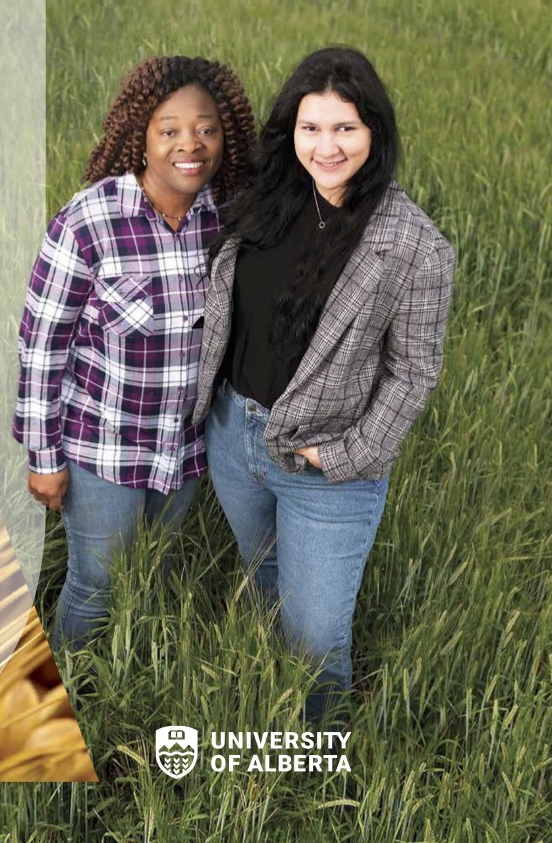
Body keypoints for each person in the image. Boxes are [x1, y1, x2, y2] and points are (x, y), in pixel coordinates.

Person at [193, 46, 455, 721]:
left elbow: (415, 370)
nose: (327, 146)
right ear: (292, 131)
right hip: (234, 437)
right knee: (264, 585)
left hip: (324, 469)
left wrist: (346, 456)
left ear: (375, 133)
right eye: (312, 127)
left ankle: (318, 766)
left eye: (346, 128)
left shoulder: (415, 245)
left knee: (315, 638)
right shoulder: (264, 203)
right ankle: (265, 710)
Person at [14, 55, 255, 648]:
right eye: (169, 130)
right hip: (103, 446)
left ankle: (132, 680)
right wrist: (43, 457)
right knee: (96, 581)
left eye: (206, 129)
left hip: (183, 449)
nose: (189, 144)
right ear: (139, 137)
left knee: (154, 575)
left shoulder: (226, 221)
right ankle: (70, 691)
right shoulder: (89, 221)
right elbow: (42, 345)